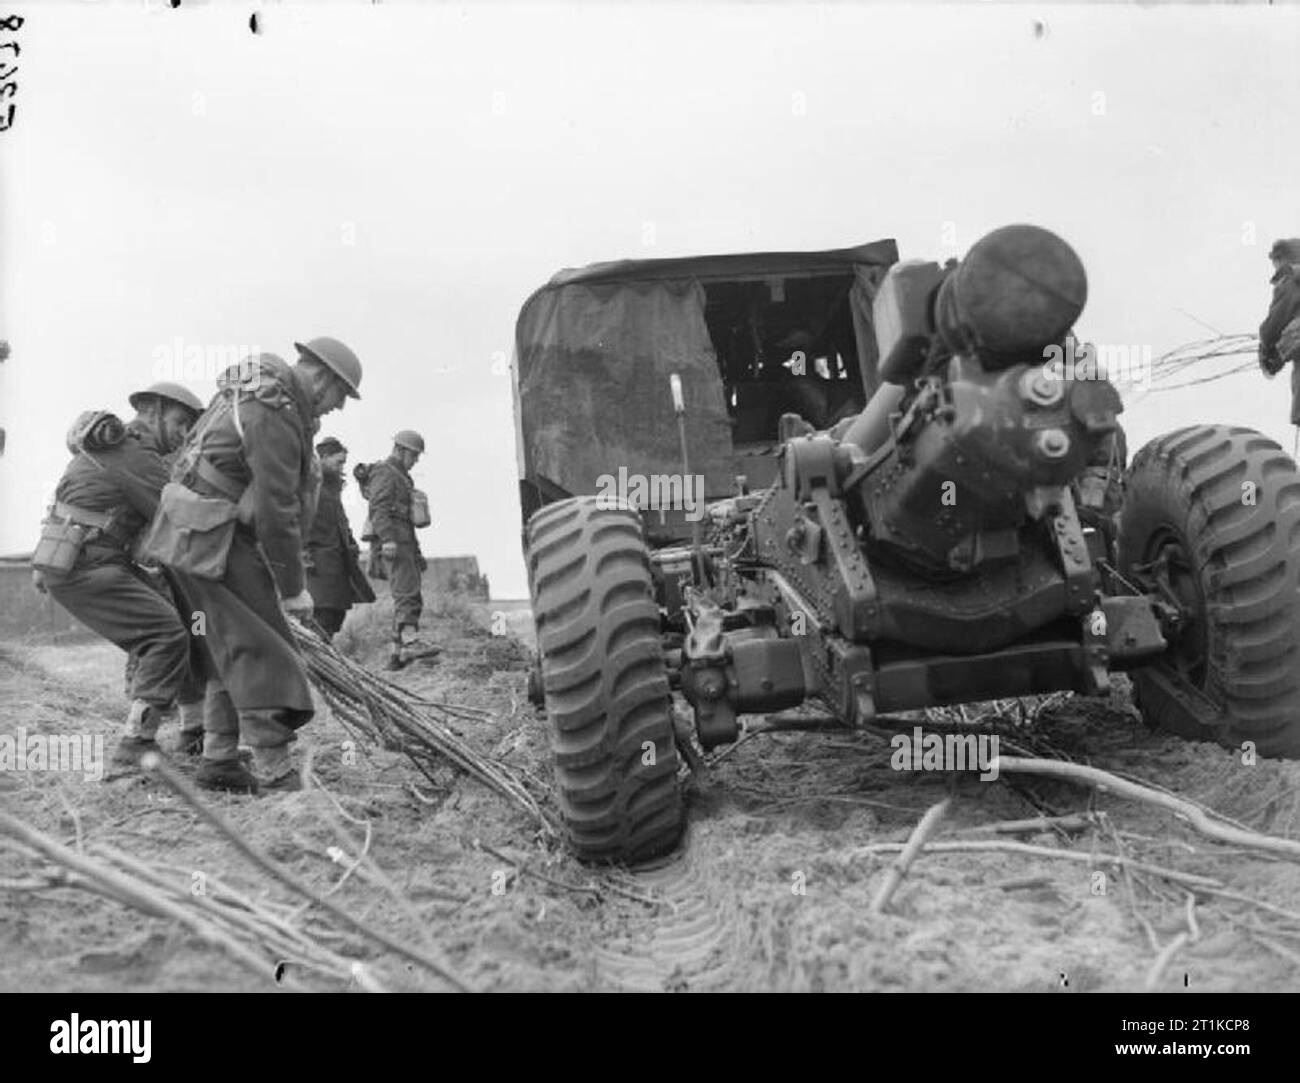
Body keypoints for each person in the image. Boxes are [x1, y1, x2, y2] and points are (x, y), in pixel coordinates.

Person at [142, 336, 362, 794]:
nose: (338, 407)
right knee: (265, 648)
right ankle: (274, 768)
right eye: (342, 395)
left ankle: (219, 759)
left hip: (191, 535)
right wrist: (292, 587)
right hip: (216, 542)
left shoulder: (250, 390)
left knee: (229, 646)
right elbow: (276, 507)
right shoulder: (275, 409)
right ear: (323, 378)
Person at [32, 381, 206, 768]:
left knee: (183, 622)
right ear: (153, 411)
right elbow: (178, 520)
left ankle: (194, 730)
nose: (183, 435)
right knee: (167, 634)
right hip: (92, 566)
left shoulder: (111, 448)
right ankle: (136, 742)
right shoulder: (135, 455)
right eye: (180, 423)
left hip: (82, 560)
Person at [366, 429, 434, 669]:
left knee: (407, 592)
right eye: (413, 455)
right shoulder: (386, 472)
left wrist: (416, 552)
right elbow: (379, 508)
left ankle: (396, 656)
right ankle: (410, 641)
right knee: (407, 594)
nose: (415, 461)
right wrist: (388, 540)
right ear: (400, 450)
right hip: (394, 542)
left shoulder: (401, 475)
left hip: (404, 542)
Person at [305, 437, 375, 640]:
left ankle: (322, 664)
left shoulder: (330, 488)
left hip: (336, 562)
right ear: (324, 458)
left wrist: (352, 544)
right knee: (320, 619)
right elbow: (296, 523)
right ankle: (314, 668)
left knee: (334, 618)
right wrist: (303, 555)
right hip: (316, 565)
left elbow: (340, 521)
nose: (341, 467)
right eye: (339, 462)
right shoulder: (309, 484)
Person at [1259, 238, 1300, 427]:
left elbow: (1275, 324)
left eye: (1275, 260)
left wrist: (1266, 348)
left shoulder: (1291, 277)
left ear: (1283, 259)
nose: (1274, 266)